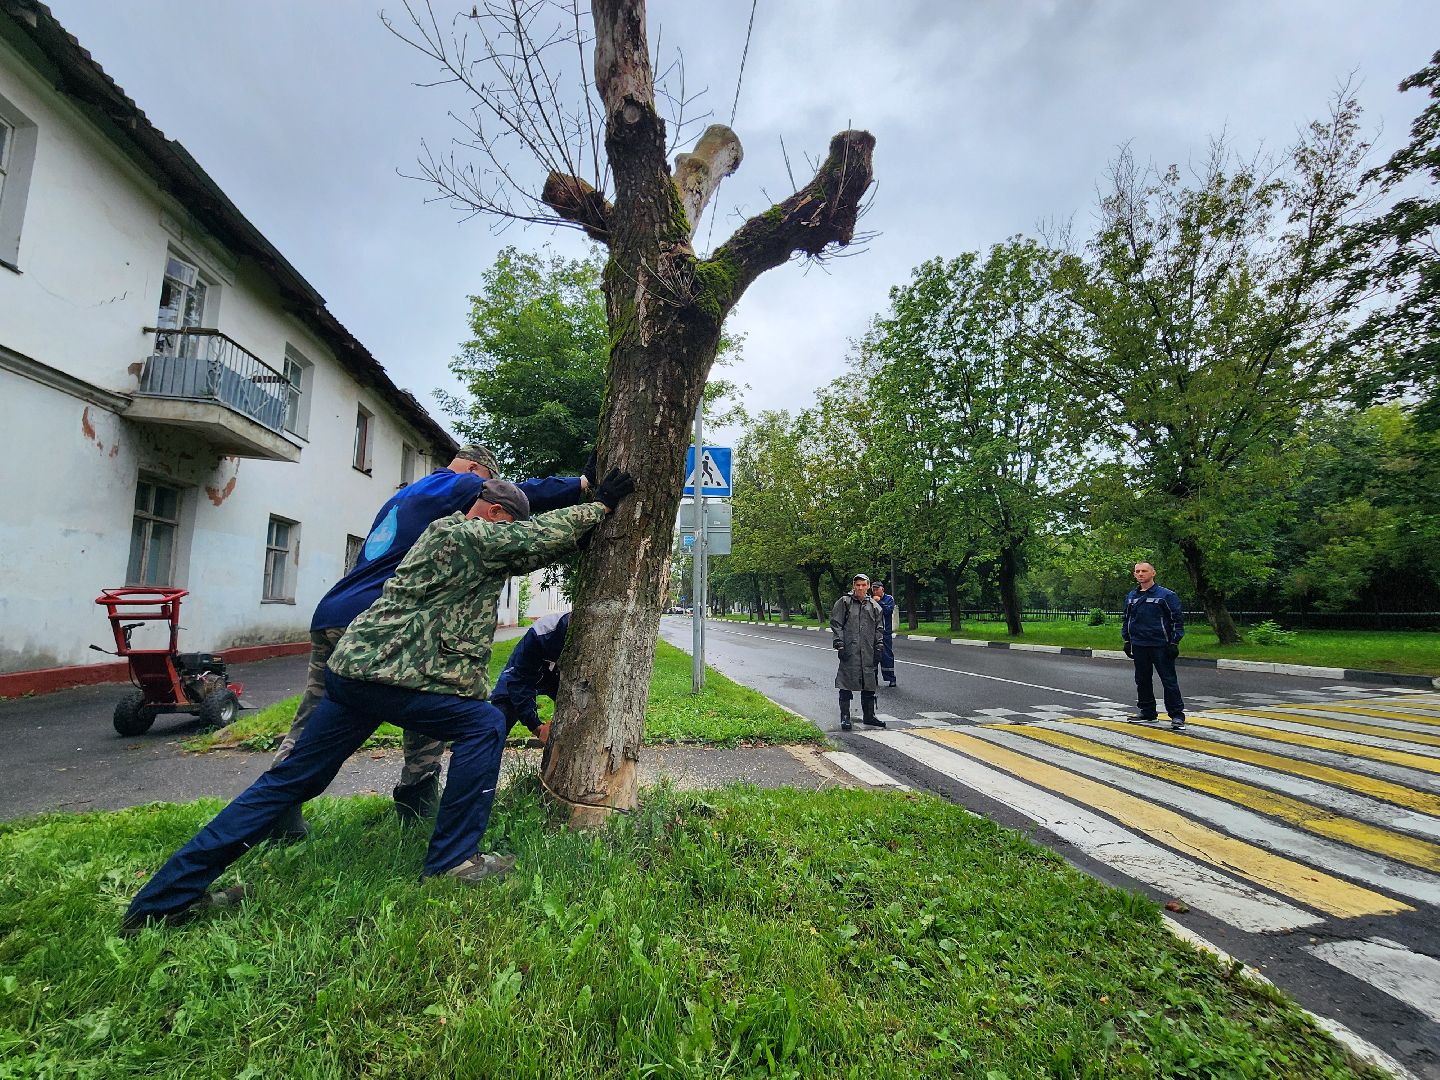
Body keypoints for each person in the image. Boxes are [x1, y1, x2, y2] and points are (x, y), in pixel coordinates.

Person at [121, 470, 635, 934]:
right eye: (507, 524)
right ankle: (454, 861)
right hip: (386, 677)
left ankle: (163, 901)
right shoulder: (462, 533)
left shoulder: (452, 544)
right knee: (483, 725)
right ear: (496, 514)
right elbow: (536, 538)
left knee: (294, 779)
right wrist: (601, 505)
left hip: (357, 676)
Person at [270, 443, 593, 839]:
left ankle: (277, 805)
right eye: (486, 484)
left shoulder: (405, 496)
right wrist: (579, 485)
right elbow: (523, 495)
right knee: (433, 702)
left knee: (314, 716)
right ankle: (418, 800)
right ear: (475, 470)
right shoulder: (454, 486)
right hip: (380, 623)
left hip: (334, 612)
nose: (486, 494)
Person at [1121, 561, 1186, 730]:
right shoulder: (1131, 596)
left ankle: (1177, 716)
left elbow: (1177, 620)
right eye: (1137, 571)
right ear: (1134, 575)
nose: (1140, 574)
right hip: (1139, 644)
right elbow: (1126, 619)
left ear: (1153, 573)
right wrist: (1127, 640)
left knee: (1168, 680)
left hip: (1161, 645)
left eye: (1144, 571)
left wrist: (1174, 642)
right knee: (1142, 680)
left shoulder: (1165, 595)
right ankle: (1148, 713)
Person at [490, 610, 572, 744]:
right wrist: (537, 727)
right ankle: (486, 756)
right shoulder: (543, 631)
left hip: (561, 678)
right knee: (497, 723)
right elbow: (519, 680)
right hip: (526, 672)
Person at [830, 573, 886, 732]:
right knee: (845, 682)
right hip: (850, 649)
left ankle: (869, 715)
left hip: (868, 651)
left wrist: (879, 646)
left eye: (863, 585)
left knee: (869, 683)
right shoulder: (845, 602)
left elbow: (879, 629)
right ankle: (845, 717)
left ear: (868, 586)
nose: (860, 588)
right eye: (857, 585)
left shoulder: (875, 607)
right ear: (853, 586)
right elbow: (836, 623)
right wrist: (839, 643)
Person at [870, 581, 897, 687]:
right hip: (872, 633)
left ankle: (891, 678)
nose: (875, 591)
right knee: (873, 656)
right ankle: (873, 678)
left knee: (887, 656)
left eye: (877, 589)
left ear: (882, 589)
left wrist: (879, 601)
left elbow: (888, 611)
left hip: (885, 633)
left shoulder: (889, 599)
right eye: (873, 589)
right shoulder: (870, 599)